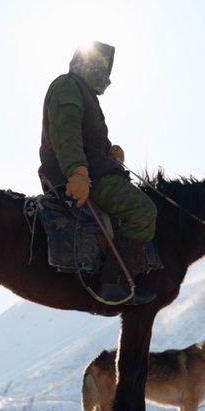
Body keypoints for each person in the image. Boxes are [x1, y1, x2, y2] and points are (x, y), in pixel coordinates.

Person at [38, 41, 158, 305]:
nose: (108, 79)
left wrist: (109, 156)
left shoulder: (82, 91)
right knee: (143, 211)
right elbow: (65, 132)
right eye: (104, 69)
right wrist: (78, 173)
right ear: (89, 63)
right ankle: (115, 285)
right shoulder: (68, 85)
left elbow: (85, 138)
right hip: (88, 179)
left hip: (94, 173)